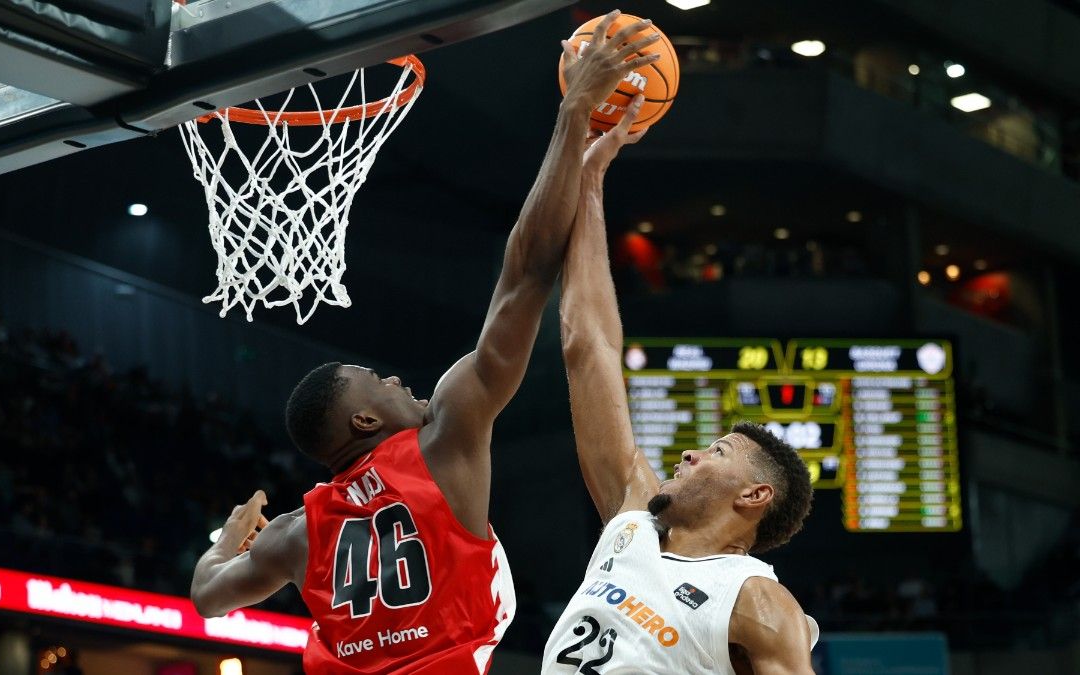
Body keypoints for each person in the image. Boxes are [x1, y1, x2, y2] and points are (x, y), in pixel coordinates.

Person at [189, 11, 662, 674]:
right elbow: (527, 271)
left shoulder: (296, 533)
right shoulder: (443, 436)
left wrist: (230, 542)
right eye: (378, 382)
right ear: (364, 418)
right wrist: (574, 113)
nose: (398, 382)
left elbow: (208, 595)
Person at [542, 98, 818, 674]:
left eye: (717, 452)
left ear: (754, 496)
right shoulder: (632, 521)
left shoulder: (755, 601)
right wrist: (590, 177)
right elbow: (588, 346)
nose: (690, 452)